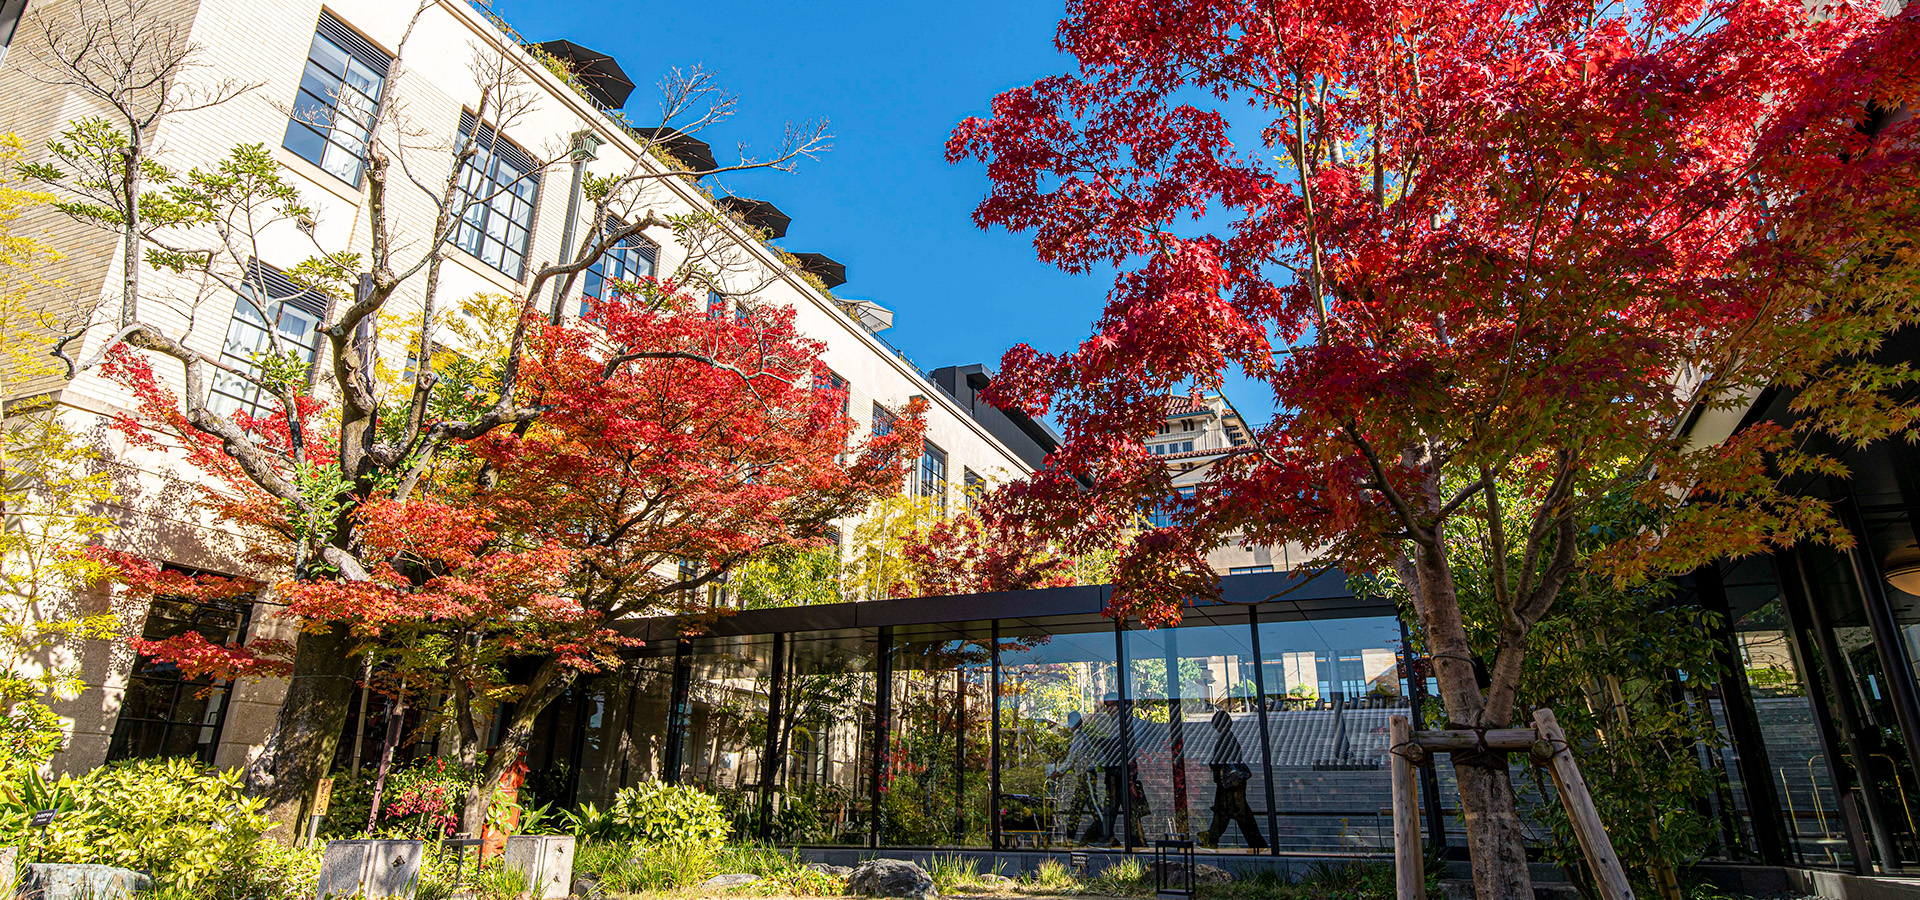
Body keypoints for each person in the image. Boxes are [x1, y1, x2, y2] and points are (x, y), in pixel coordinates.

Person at [1203, 708, 1268, 850]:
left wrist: (1213, 766)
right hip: (1231, 784)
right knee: (1234, 814)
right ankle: (1257, 844)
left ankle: (1212, 840)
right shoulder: (1229, 738)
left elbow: (1219, 760)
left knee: (1233, 814)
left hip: (1229, 784)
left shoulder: (1225, 740)